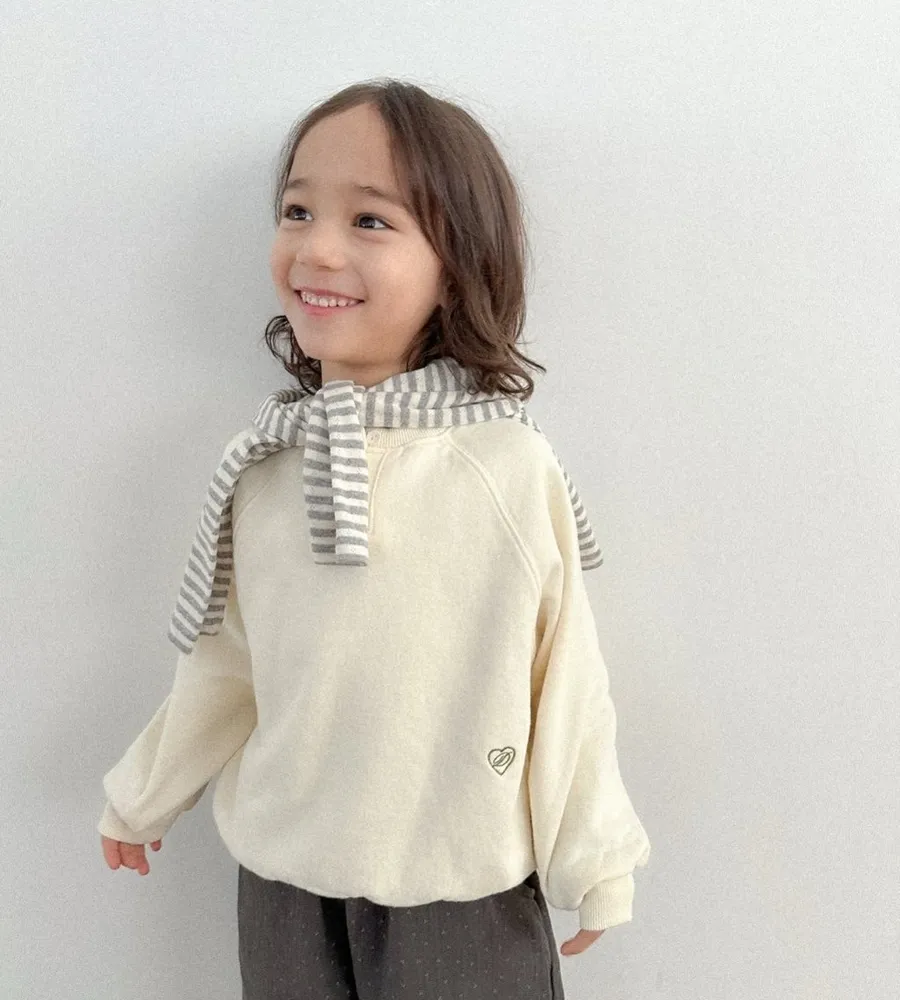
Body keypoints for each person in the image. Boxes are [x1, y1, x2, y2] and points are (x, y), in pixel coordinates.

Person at [97, 78, 651, 1000]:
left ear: (457, 264)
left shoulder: (503, 464)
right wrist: (144, 793)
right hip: (283, 877)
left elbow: (566, 676)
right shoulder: (269, 467)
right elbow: (228, 666)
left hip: (456, 882)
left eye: (370, 221)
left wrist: (596, 858)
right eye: (298, 210)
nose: (317, 248)